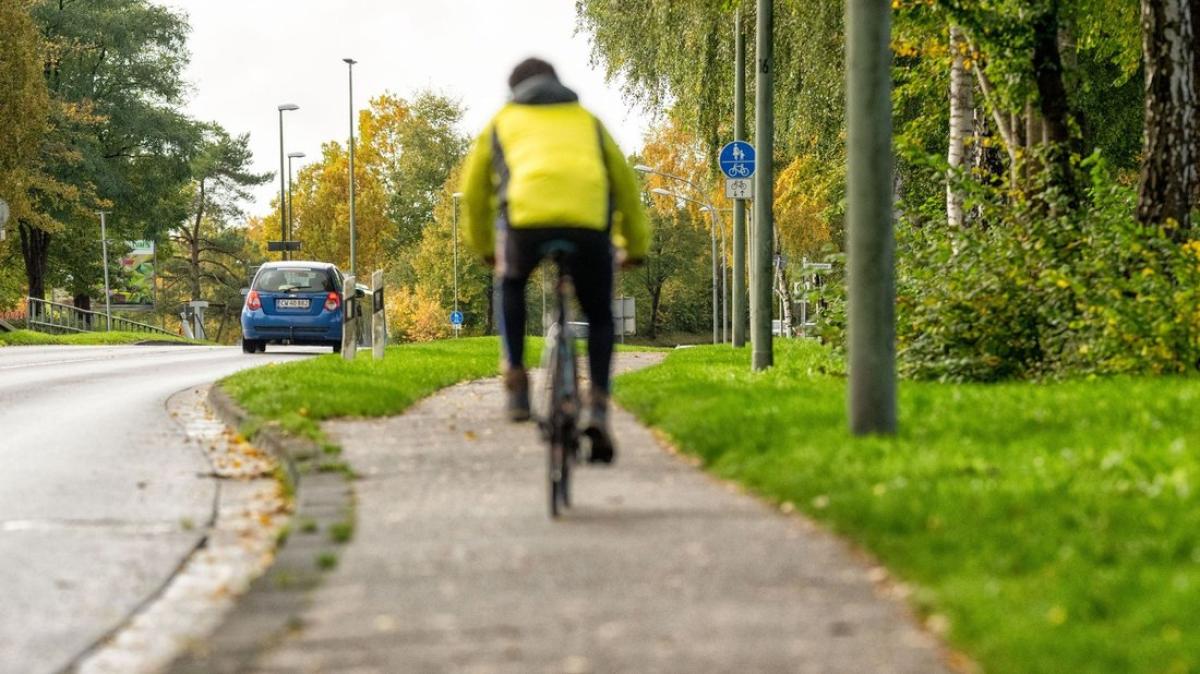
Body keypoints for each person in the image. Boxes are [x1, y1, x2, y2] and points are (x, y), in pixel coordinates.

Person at [459, 57, 650, 463]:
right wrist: (633, 246)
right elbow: (626, 186)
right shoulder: (588, 121)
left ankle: (515, 377)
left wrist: (486, 249)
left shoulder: (502, 122)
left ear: (514, 91)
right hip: (588, 224)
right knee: (599, 314)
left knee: (510, 282)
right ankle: (598, 403)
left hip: (525, 223)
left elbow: (475, 193)